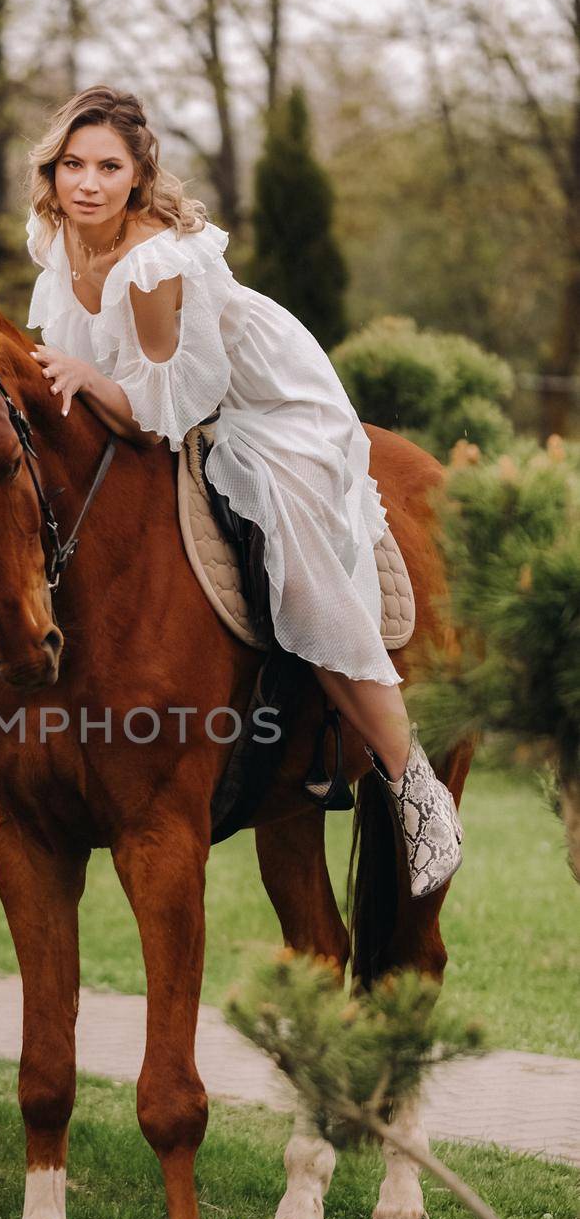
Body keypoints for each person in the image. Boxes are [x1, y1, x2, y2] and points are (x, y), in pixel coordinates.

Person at [24, 85, 462, 898]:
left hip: (258, 404)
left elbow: (163, 401)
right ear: (51, 172)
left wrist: (87, 377)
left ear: (136, 177)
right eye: (71, 164)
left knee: (298, 563)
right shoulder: (53, 237)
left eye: (107, 167)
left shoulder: (151, 259)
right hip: (161, 396)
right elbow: (76, 360)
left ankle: (413, 786)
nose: (85, 182)